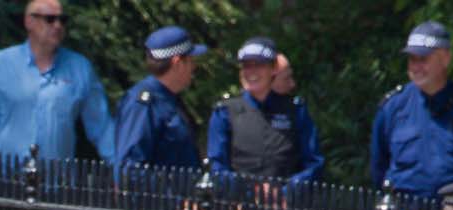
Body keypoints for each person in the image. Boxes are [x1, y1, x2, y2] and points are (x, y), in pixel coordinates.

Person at [0, 3, 115, 164]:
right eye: (50, 19)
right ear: (29, 22)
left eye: (63, 20)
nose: (58, 26)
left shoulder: (80, 68)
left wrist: (120, 173)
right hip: (9, 184)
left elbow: (101, 126)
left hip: (58, 185)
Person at [370, 21, 453, 198]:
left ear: (445, 59)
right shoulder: (392, 107)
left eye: (423, 59)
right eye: (412, 59)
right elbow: (378, 168)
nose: (415, 67)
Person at [207, 35, 324, 185]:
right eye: (246, 65)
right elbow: (217, 167)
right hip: (239, 204)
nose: (251, 72)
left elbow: (314, 163)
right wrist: (248, 194)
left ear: (274, 68)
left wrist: (286, 193)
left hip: (287, 205)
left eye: (259, 65)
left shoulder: (295, 111)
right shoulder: (224, 113)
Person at [115, 27, 205, 173]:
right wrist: (170, 194)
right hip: (163, 195)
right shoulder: (143, 104)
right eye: (190, 61)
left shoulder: (170, 98)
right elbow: (130, 169)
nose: (194, 67)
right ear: (177, 63)